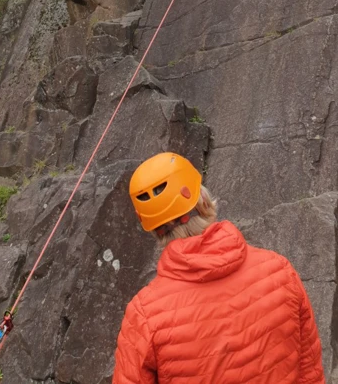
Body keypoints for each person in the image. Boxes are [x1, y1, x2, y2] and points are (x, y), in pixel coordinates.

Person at [112, 152, 326, 384]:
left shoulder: (145, 314)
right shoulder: (280, 272)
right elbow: (310, 372)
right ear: (203, 199)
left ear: (153, 228)